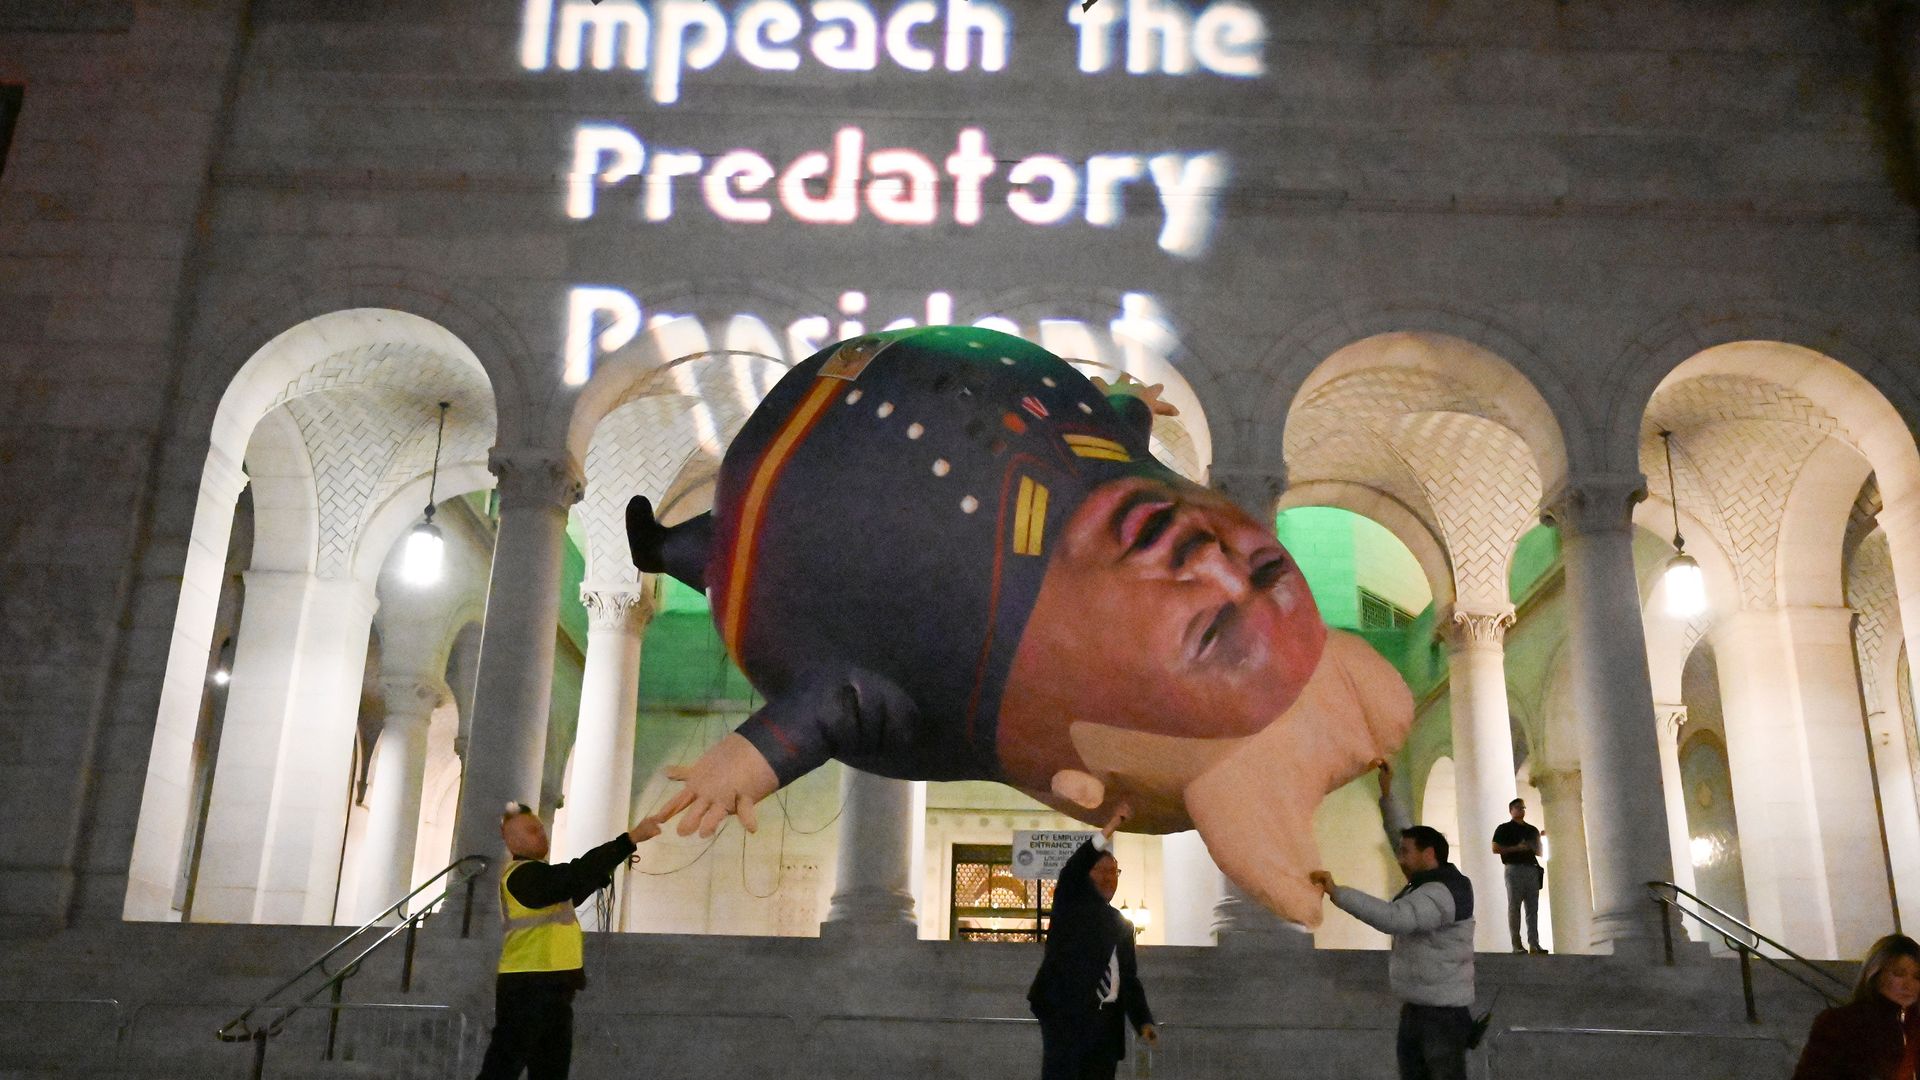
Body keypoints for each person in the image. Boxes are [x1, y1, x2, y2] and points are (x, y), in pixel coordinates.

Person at [1311, 760, 1476, 1080]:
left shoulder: (1444, 892)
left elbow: (1396, 918)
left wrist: (1337, 892)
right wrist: (1387, 794)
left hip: (1441, 1018)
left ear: (1429, 854)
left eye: (1405, 852)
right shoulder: (1429, 881)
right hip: (1421, 1010)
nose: (1400, 858)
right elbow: (1402, 834)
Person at [475, 802, 661, 1080]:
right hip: (528, 985)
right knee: (503, 1069)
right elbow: (573, 876)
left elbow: (573, 886)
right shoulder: (523, 876)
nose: (542, 834)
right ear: (512, 840)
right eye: (532, 830)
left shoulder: (542, 879)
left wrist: (597, 874)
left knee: (549, 1070)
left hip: (553, 985)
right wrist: (629, 840)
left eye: (540, 828)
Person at [1027, 805, 1158, 1080]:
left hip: (1106, 1025)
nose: (1109, 878)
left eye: (1114, 872)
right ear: (1086, 874)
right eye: (1101, 870)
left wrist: (1143, 1020)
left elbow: (1128, 978)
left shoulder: (1122, 923)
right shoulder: (1070, 903)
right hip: (1065, 1017)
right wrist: (1113, 824)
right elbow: (1074, 866)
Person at [1792, 933, 1920, 1080]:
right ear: (1875, 974)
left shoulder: (1914, 1026)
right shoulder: (1841, 1023)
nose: (1908, 985)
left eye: (1917, 977)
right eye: (1899, 973)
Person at [1490, 797, 1546, 954]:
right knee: (1514, 906)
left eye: (1522, 807)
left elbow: (1540, 852)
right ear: (1511, 810)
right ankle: (1517, 944)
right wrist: (1517, 848)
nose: (1521, 810)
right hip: (1513, 868)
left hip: (1531, 868)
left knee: (1532, 908)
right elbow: (1495, 848)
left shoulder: (1532, 830)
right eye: (1517, 807)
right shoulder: (1504, 829)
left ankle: (1534, 944)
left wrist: (1538, 842)